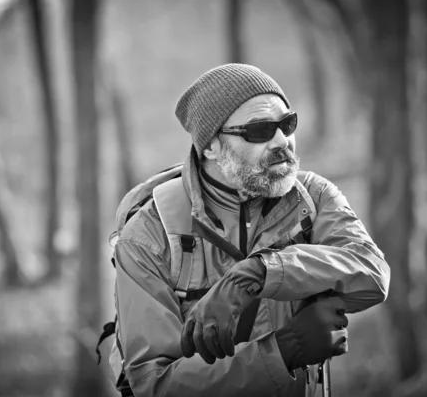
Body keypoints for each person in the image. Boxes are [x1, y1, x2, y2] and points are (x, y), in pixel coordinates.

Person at [113, 63, 390, 397]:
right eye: (259, 130)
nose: (282, 141)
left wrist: (261, 271)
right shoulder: (149, 236)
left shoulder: (313, 198)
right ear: (211, 147)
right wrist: (285, 350)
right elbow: (154, 385)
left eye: (287, 124)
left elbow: (373, 274)